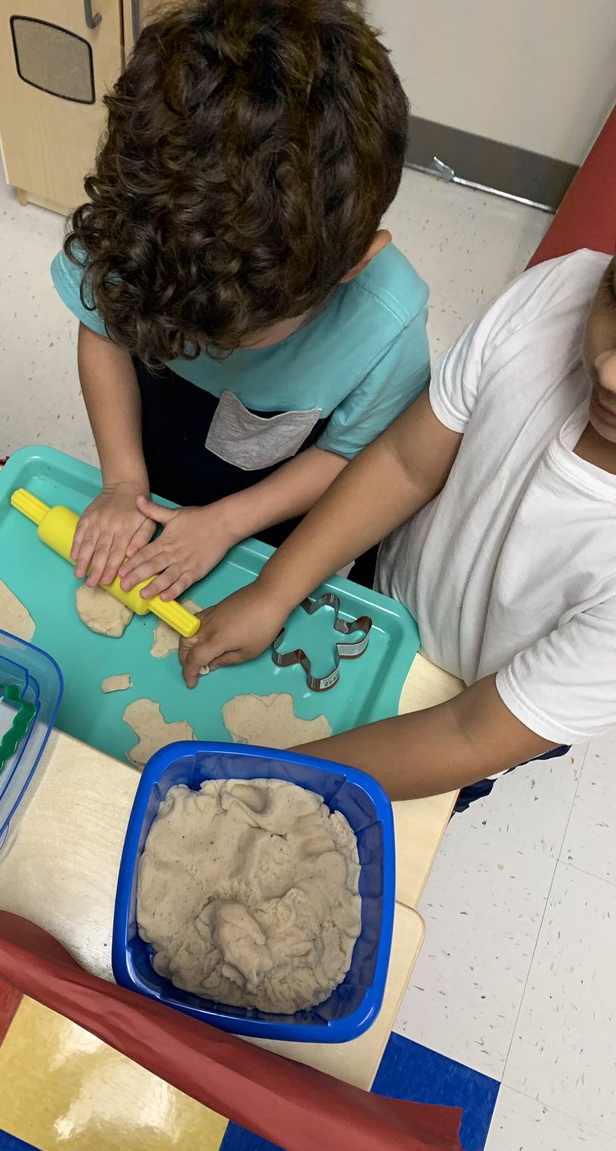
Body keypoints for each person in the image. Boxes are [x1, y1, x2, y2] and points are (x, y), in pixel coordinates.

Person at [178, 248, 616, 805]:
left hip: (474, 706)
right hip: (383, 602)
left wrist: (257, 779)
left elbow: (467, 732)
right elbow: (407, 462)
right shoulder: (559, 288)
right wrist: (273, 591)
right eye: (614, 298)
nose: (608, 371)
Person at [51, 0, 430, 602]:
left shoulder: (385, 324)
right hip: (154, 461)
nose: (199, 348)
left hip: (271, 519)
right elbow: (103, 331)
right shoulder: (137, 234)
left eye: (232, 338)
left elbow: (349, 456)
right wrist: (123, 480)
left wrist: (228, 522)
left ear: (352, 267)